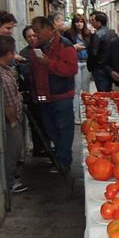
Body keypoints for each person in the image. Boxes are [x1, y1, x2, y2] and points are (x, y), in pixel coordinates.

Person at [30, 16, 78, 174]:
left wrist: (48, 63)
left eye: (37, 31)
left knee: (63, 130)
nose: (35, 34)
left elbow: (71, 70)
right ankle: (59, 156)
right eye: (34, 31)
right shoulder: (36, 47)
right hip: (44, 96)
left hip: (61, 96)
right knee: (50, 128)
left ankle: (63, 161)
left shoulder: (65, 45)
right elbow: (35, 72)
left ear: (49, 28)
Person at [0, 35, 27, 192]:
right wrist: (14, 121)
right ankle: (9, 184)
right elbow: (8, 105)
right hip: (10, 121)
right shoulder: (4, 78)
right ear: (9, 54)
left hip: (10, 120)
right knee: (12, 152)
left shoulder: (6, 71)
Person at [18, 26, 49, 157]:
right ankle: (39, 148)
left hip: (45, 93)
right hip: (33, 93)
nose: (32, 38)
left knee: (46, 118)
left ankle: (47, 145)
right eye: (28, 36)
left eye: (34, 35)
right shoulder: (24, 53)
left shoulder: (44, 48)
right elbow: (25, 72)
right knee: (36, 119)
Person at [63, 14, 91, 124]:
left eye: (81, 21)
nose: (79, 24)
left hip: (86, 62)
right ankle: (76, 116)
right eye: (77, 21)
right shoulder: (68, 34)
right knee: (76, 90)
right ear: (73, 23)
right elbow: (64, 48)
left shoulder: (88, 34)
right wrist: (74, 48)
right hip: (76, 63)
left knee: (86, 89)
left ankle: (87, 113)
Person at [88, 11, 117, 91]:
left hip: (99, 68)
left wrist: (91, 67)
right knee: (110, 91)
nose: (91, 22)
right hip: (111, 67)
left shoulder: (97, 34)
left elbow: (93, 53)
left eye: (93, 20)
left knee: (102, 93)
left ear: (98, 22)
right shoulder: (113, 33)